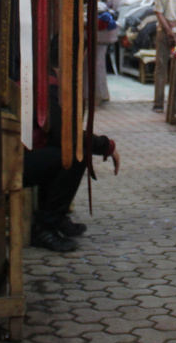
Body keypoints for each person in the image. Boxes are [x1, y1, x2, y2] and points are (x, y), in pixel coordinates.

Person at [24, 81, 120, 252]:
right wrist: (105, 146)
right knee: (74, 156)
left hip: (18, 152)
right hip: (14, 158)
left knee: (61, 152)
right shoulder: (43, 80)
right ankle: (45, 226)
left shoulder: (42, 78)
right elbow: (64, 134)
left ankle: (56, 217)